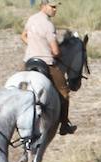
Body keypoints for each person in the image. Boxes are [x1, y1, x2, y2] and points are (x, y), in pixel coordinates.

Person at [21, 1, 76, 136]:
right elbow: (56, 51)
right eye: (52, 7)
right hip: (46, 63)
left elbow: (23, 36)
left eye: (56, 7)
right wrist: (51, 51)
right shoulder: (48, 25)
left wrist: (34, 45)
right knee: (64, 91)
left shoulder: (32, 19)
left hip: (28, 61)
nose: (55, 9)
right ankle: (64, 124)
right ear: (43, 5)